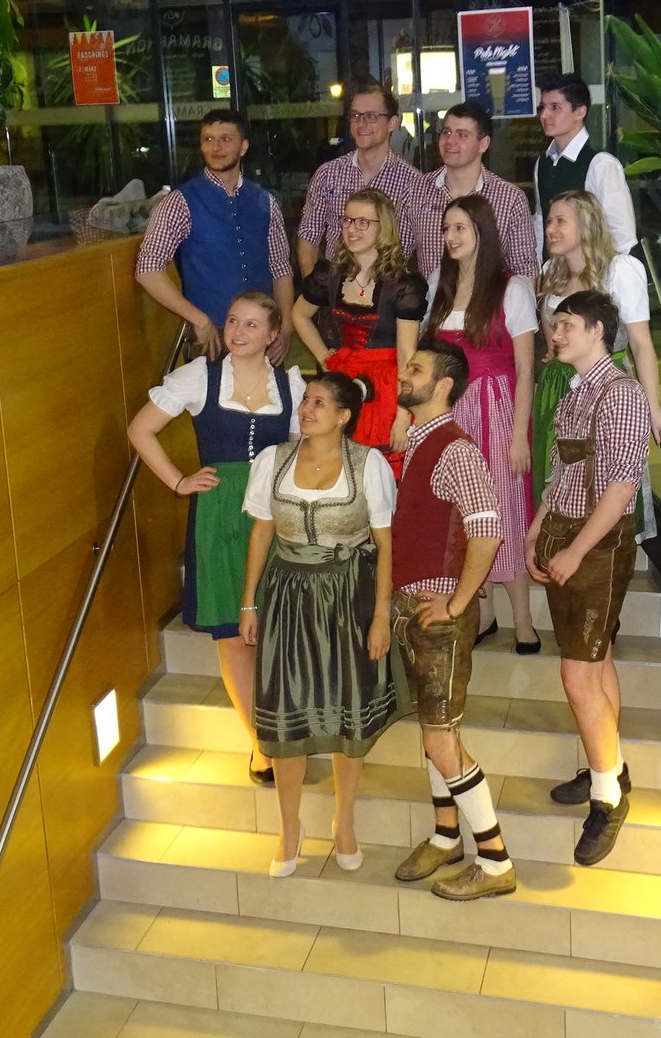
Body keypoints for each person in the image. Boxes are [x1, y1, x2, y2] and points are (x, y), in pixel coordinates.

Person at [127, 291, 304, 786]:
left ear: (272, 334)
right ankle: (260, 745)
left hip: (274, 514)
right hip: (220, 514)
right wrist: (179, 482)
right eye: (232, 321)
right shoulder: (198, 377)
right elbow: (140, 430)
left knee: (276, 630)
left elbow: (298, 450)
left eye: (252, 324)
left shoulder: (290, 384)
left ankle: (285, 730)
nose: (238, 332)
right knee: (233, 638)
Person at [239, 373, 398, 878]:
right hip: (287, 595)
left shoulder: (369, 464)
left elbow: (385, 545)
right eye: (305, 400)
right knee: (287, 712)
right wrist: (249, 604)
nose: (306, 409)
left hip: (347, 595)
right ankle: (289, 828)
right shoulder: (273, 460)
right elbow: (261, 534)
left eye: (319, 403)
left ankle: (343, 822)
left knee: (346, 712)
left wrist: (381, 615)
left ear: (344, 416)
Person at [525, 290, 651, 866]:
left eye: (567, 325)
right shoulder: (577, 390)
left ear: (598, 330)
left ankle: (608, 799)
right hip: (567, 534)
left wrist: (575, 551)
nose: (556, 335)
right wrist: (537, 530)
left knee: (577, 676)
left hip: (598, 546)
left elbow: (622, 486)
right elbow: (560, 471)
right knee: (596, 664)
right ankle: (611, 767)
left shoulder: (621, 394)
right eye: (555, 326)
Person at [390, 341, 516, 901]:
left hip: (440, 616)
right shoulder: (422, 440)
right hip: (417, 609)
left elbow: (487, 530)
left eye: (415, 369)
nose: (403, 373)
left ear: (444, 385)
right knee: (433, 732)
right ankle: (446, 837)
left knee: (441, 740)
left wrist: (458, 603)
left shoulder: (455, 449)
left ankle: (495, 862)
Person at [421, 194, 540, 653]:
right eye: (446, 229)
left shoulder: (512, 289)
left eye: (460, 228)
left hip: (496, 408)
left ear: (481, 232)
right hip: (452, 411)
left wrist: (519, 436)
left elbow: (526, 369)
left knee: (503, 507)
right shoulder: (439, 283)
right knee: (463, 510)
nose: (450, 237)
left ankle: (524, 621)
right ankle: (483, 613)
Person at [534, 191, 661, 521]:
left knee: (603, 472)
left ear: (586, 225)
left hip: (605, 386)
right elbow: (553, 343)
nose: (550, 229)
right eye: (549, 221)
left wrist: (653, 407)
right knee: (557, 473)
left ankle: (606, 542)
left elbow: (641, 343)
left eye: (561, 221)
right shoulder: (551, 271)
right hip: (556, 387)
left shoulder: (620, 270)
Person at [135, 109, 295, 362]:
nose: (215, 147)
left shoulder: (265, 200)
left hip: (262, 334)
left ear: (243, 147)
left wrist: (285, 325)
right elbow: (147, 269)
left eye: (225, 139)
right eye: (208, 139)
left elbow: (280, 268)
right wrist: (198, 319)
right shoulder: (180, 201)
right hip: (211, 336)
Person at [292, 187, 427, 477]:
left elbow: (407, 354)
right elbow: (299, 315)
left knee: (383, 476)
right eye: (347, 220)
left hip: (388, 390)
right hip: (343, 383)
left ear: (383, 228)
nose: (352, 229)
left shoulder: (403, 285)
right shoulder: (329, 275)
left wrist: (403, 414)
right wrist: (325, 357)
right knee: (342, 473)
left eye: (364, 222)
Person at [296, 84, 425, 271]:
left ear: (392, 123)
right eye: (355, 115)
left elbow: (423, 250)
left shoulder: (414, 184)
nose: (361, 123)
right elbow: (308, 237)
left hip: (389, 285)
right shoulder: (328, 174)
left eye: (371, 116)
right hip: (336, 285)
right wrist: (315, 286)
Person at [410, 101, 538, 280]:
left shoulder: (510, 198)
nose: (450, 141)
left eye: (462, 135)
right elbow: (397, 254)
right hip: (431, 297)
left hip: (488, 297)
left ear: (483, 144)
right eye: (446, 132)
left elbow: (524, 271)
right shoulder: (415, 191)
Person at [532, 73, 636, 258]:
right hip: (554, 271)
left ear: (580, 112)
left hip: (593, 271)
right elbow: (541, 222)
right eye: (542, 107)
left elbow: (621, 237)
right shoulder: (543, 163)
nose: (544, 115)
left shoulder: (601, 164)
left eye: (555, 107)